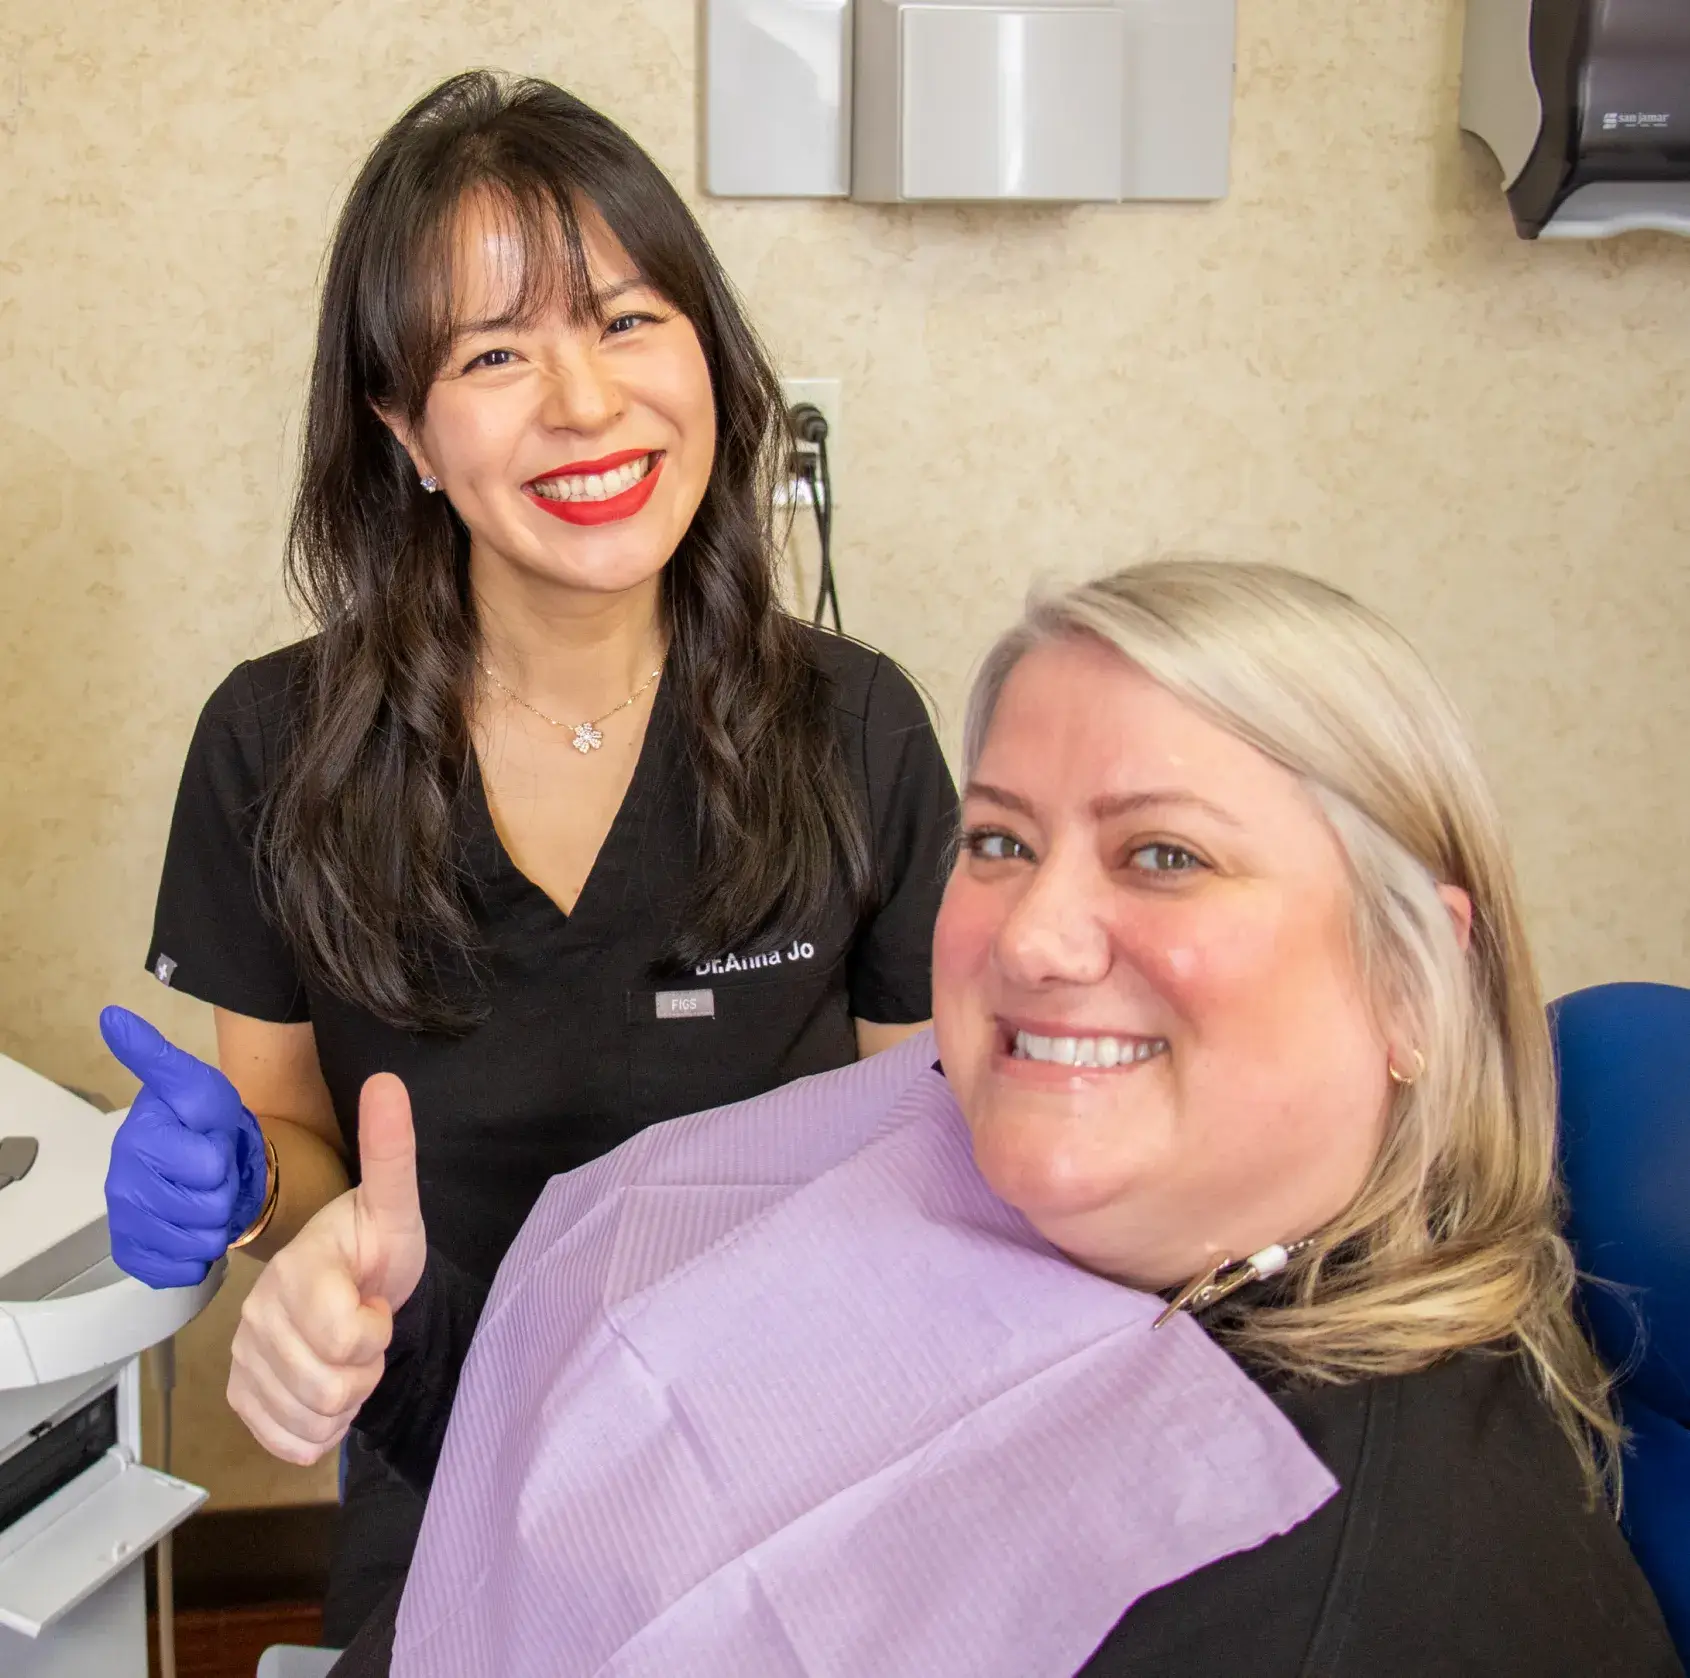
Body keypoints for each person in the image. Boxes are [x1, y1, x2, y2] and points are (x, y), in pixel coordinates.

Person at [224, 560, 1681, 1675]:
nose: (1035, 932)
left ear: (1414, 983)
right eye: (1000, 839)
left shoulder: (1358, 1590)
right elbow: (661, 1450)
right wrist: (406, 1344)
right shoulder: (941, 1145)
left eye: (1163, 853)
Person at [96, 71, 955, 1641]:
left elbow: (942, 1141)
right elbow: (295, 1138)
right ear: (404, 430)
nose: (583, 404)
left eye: (627, 321)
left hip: (804, 1466)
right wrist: (259, 1201)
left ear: (709, 357)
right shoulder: (273, 748)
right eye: (494, 352)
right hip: (454, 1463)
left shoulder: (858, 728)